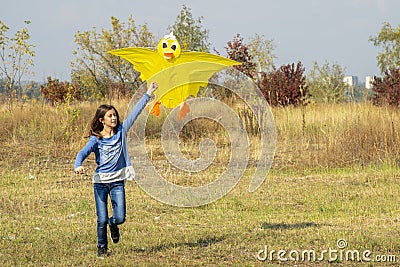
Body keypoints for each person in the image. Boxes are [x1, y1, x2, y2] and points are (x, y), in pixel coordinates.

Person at [74, 82, 158, 258]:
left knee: (119, 218)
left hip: (117, 182)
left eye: (115, 115)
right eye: (110, 116)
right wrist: (78, 165)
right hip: (101, 184)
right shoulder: (96, 139)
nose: (114, 118)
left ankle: (114, 225)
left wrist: (148, 93)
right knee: (101, 219)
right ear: (101, 120)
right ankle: (102, 247)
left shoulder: (121, 132)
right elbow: (82, 152)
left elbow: (135, 113)